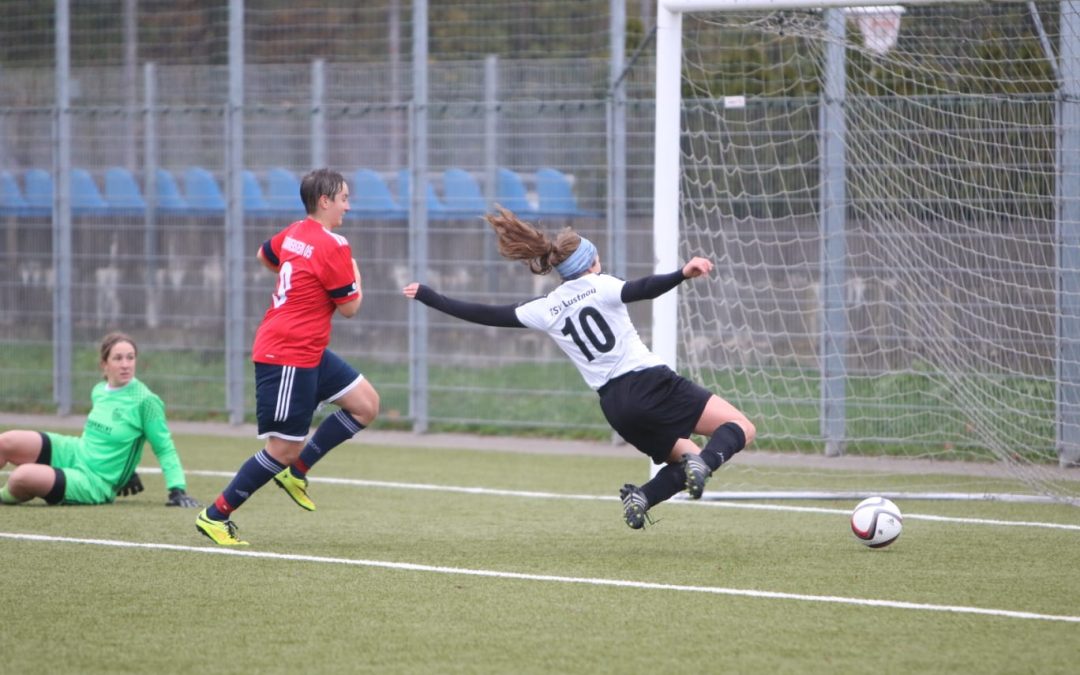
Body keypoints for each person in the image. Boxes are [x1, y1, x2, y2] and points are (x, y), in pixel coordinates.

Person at [403, 206, 756, 529]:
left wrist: (429, 295)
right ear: (590, 263)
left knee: (693, 457)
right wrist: (682, 273)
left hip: (616, 406)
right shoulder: (601, 285)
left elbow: (484, 314)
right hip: (649, 381)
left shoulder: (547, 307)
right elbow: (643, 288)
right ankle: (697, 467)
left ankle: (643, 496)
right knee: (740, 426)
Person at [196, 167, 380, 546]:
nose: (348, 205)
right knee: (281, 448)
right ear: (325, 201)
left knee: (365, 404)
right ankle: (216, 515)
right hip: (287, 353)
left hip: (307, 348)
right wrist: (357, 273)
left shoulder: (295, 232)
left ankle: (297, 472)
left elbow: (266, 256)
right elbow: (350, 308)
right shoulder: (335, 245)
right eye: (343, 198)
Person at [0, 332, 200, 508]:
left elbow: (164, 448)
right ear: (105, 364)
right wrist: (127, 472)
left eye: (130, 358)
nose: (125, 364)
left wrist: (177, 490)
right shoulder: (99, 390)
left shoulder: (146, 401)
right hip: (76, 451)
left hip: (94, 481)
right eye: (118, 358)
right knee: (5, 442)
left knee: (21, 477)